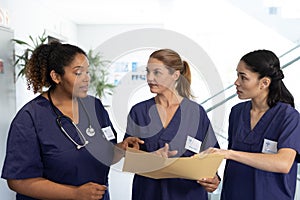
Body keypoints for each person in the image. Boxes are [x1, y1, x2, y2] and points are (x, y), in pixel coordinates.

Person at [1, 41, 143, 200]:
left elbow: (106, 155)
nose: (86, 79)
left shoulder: (94, 107)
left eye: (87, 72)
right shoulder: (30, 117)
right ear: (56, 76)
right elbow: (17, 180)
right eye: (78, 73)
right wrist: (74, 194)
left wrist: (120, 149)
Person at [124, 49, 220, 200]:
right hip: (149, 193)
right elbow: (129, 157)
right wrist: (150, 159)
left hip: (187, 194)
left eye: (157, 73)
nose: (149, 78)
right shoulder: (139, 112)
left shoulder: (196, 113)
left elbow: (211, 154)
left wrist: (213, 178)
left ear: (175, 75)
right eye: (147, 72)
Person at [213, 49, 300, 200]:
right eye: (237, 75)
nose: (236, 82)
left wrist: (229, 154)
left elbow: (283, 163)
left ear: (264, 83)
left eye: (243, 77)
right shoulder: (237, 112)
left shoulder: (288, 117)